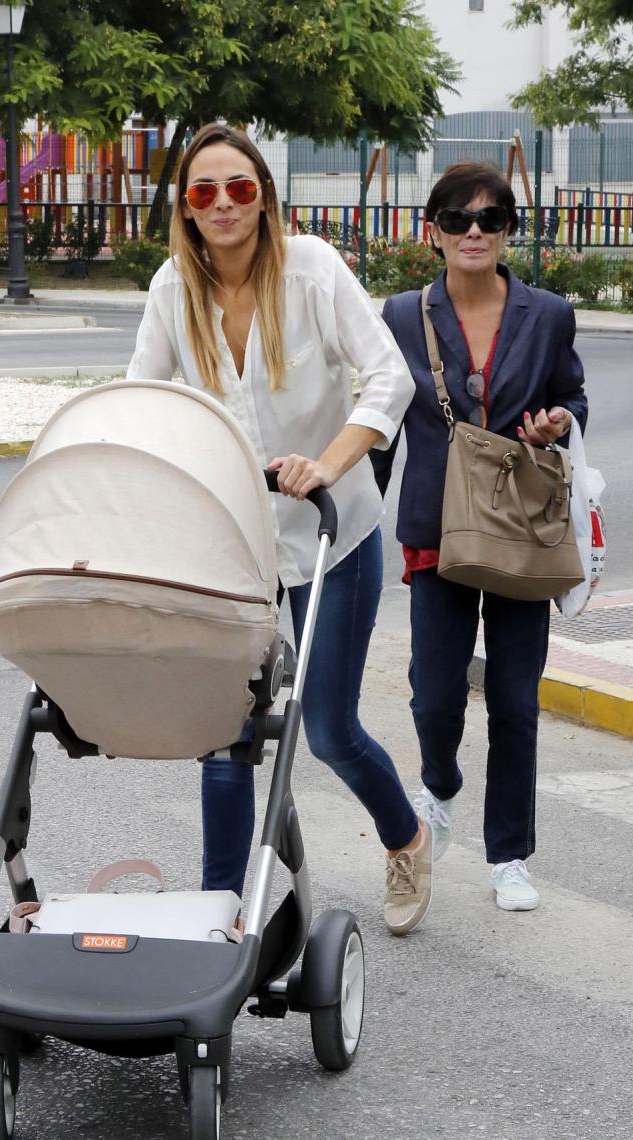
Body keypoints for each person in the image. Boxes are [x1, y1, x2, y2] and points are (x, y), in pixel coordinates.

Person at [127, 122, 431, 934]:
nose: (222, 204)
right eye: (203, 192)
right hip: (235, 544)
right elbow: (145, 404)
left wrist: (328, 463)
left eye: (238, 187)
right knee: (224, 731)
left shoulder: (312, 271)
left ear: (263, 195)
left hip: (337, 532)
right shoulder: (171, 291)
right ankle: (219, 911)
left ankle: (405, 836)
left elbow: (388, 377)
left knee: (327, 727)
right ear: (186, 210)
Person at [380, 162, 587, 912]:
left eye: (491, 219)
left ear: (507, 233)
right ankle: (438, 784)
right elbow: (378, 420)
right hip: (435, 527)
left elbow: (571, 395)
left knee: (513, 698)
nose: (474, 232)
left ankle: (509, 854)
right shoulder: (402, 316)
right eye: (458, 219)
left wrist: (559, 422)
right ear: (430, 230)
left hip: (519, 529)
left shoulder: (548, 314)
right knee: (433, 696)